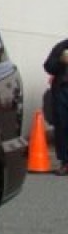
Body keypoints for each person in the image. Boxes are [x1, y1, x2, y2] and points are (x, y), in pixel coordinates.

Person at [43, 38, 68, 175]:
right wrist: (60, 62)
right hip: (62, 91)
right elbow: (48, 66)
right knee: (62, 126)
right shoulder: (61, 47)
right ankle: (65, 162)